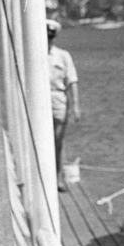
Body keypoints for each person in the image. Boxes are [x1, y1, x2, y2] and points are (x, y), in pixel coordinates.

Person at [46, 18, 80, 185]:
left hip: (58, 99)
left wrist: (76, 106)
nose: (48, 40)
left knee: (57, 140)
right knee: (44, 139)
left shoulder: (62, 55)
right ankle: (47, 176)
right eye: (46, 36)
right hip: (40, 101)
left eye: (50, 37)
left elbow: (72, 81)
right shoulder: (35, 55)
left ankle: (58, 177)